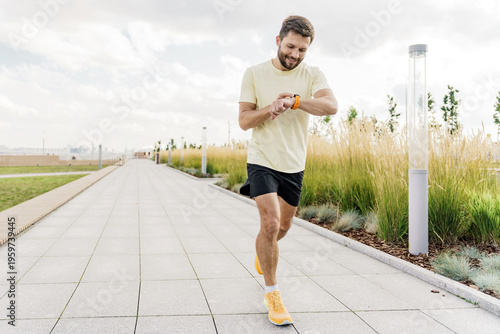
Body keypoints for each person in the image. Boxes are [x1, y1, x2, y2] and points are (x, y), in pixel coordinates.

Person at [238, 15, 338, 326]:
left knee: (283, 228)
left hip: (294, 164)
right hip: (262, 158)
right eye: (291, 46)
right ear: (279, 40)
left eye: (302, 50)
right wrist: (270, 108)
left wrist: (295, 102)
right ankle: (273, 294)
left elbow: (331, 106)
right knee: (270, 223)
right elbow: (243, 120)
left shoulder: (312, 74)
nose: (295, 54)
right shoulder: (254, 73)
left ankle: (263, 252)